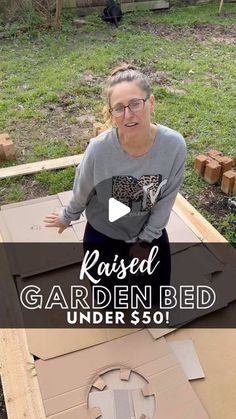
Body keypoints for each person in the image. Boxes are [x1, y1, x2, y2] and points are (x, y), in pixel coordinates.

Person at [44, 63, 187, 307]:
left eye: (135, 104)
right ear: (111, 114)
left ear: (150, 102)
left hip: (146, 232)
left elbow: (166, 199)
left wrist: (145, 242)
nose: (128, 115)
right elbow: (83, 188)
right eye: (119, 108)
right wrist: (68, 216)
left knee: (155, 300)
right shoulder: (99, 149)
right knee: (109, 303)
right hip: (104, 234)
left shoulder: (173, 146)